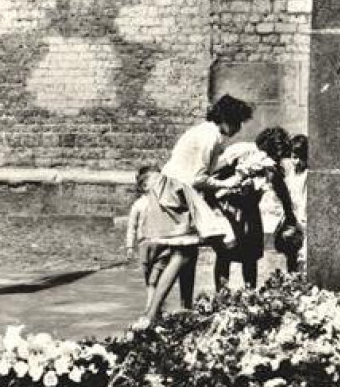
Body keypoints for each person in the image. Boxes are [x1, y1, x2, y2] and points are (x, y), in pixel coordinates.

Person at [134, 94, 254, 328]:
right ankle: (151, 313)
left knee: (188, 253)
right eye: (237, 122)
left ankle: (183, 307)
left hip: (172, 189)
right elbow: (198, 178)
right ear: (226, 119)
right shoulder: (210, 137)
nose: (238, 129)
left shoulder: (203, 132)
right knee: (184, 254)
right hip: (177, 193)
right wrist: (227, 183)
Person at [213, 126, 297, 293]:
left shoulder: (271, 165)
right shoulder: (241, 151)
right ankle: (222, 294)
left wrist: (289, 214)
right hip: (229, 207)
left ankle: (250, 293)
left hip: (250, 209)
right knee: (225, 253)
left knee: (250, 255)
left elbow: (280, 188)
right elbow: (215, 172)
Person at [125, 164, 167, 316]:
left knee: (156, 275)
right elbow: (132, 226)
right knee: (148, 275)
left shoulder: (164, 201)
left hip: (162, 243)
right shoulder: (139, 204)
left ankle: (152, 305)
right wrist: (130, 246)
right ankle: (154, 302)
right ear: (144, 186)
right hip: (145, 244)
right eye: (155, 181)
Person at [281, 134, 308, 273]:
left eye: (300, 158)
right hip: (292, 218)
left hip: (303, 220)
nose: (296, 162)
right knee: (291, 254)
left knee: (303, 256)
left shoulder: (307, 174)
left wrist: (300, 221)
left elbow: (305, 200)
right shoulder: (291, 174)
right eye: (294, 157)